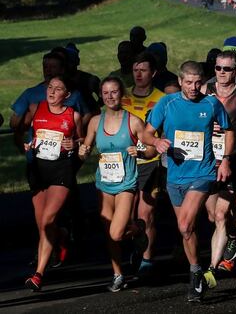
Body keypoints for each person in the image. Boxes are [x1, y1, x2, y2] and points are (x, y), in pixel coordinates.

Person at [141, 61, 234, 302]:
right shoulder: (167, 103)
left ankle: (196, 275)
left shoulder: (211, 103)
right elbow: (146, 132)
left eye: (198, 83)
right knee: (187, 231)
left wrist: (225, 160)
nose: (193, 87)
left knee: (184, 224)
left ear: (203, 82)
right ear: (180, 81)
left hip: (202, 174)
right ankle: (196, 273)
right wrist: (156, 143)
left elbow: (229, 130)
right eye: (189, 82)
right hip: (175, 176)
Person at [79, 77, 154, 291]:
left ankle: (138, 229)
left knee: (116, 233)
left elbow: (152, 149)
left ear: (121, 95)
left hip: (126, 184)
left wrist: (140, 151)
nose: (110, 96)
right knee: (109, 233)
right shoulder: (95, 121)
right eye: (105, 93)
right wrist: (82, 152)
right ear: (101, 96)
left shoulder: (133, 121)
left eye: (114, 92)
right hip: (104, 183)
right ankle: (118, 274)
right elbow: (84, 149)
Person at [21, 75, 83, 291]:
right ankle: (62, 235)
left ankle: (38, 274)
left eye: (58, 89)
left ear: (66, 95)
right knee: (42, 225)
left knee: (48, 220)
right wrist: (27, 144)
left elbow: (83, 140)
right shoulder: (35, 107)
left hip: (61, 170)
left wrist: (74, 143)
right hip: (38, 170)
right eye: (50, 87)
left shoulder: (72, 115)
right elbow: (23, 128)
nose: (52, 91)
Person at [201, 51, 236, 278]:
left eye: (226, 69)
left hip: (234, 158)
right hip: (208, 159)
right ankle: (235, 235)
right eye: (218, 68)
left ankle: (212, 268)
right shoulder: (206, 91)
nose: (221, 73)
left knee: (223, 213)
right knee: (212, 216)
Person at [121, 52, 166, 276]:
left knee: (146, 214)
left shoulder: (161, 99)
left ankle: (147, 260)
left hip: (151, 161)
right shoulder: (122, 96)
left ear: (153, 73)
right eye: (135, 70)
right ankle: (136, 245)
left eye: (144, 70)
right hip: (124, 162)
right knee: (127, 216)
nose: (139, 74)